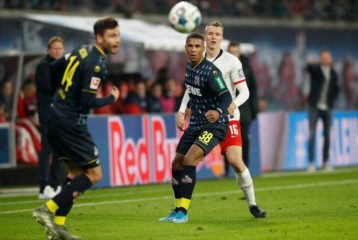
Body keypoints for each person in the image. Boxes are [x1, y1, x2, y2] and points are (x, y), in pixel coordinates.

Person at [32, 17, 120, 240]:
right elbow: (86, 101)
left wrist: (58, 97)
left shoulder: (81, 50)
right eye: (112, 36)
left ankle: (58, 228)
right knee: (94, 174)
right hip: (71, 123)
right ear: (99, 38)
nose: (117, 40)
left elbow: (54, 67)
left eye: (118, 35)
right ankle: (47, 210)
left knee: (74, 174)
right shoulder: (96, 64)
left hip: (55, 115)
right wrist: (110, 98)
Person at [173, 21, 266, 220]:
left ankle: (253, 204)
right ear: (204, 38)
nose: (214, 37)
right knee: (183, 161)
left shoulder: (232, 61)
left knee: (235, 161)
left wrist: (232, 104)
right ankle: (180, 208)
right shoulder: (196, 59)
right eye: (210, 34)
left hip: (228, 118)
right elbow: (191, 89)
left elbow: (245, 91)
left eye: (217, 34)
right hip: (201, 120)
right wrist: (182, 111)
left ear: (221, 38)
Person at [159, 32, 233, 223]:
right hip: (195, 125)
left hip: (214, 125)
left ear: (204, 48)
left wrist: (217, 111)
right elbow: (193, 92)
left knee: (190, 159)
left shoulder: (211, 72)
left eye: (197, 46)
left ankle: (184, 212)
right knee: (176, 164)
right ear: (185, 48)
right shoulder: (189, 68)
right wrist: (184, 111)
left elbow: (226, 96)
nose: (193, 49)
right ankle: (176, 209)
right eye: (190, 46)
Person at [35, 36, 66, 199]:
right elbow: (48, 88)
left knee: (59, 152)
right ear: (48, 50)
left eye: (60, 48)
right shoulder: (43, 66)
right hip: (48, 114)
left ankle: (54, 185)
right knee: (46, 150)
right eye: (54, 48)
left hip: (61, 115)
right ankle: (43, 187)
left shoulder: (63, 67)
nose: (57, 51)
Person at [225, 41, 259, 175]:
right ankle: (226, 170)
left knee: (244, 139)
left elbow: (253, 88)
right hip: (227, 109)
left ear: (239, 53)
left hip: (244, 110)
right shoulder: (222, 65)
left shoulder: (246, 67)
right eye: (231, 52)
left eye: (236, 52)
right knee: (227, 140)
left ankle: (244, 169)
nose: (234, 54)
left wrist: (254, 109)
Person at [306, 49, 339, 172]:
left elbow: (336, 89)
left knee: (327, 135)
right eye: (323, 57)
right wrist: (310, 64)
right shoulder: (316, 71)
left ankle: (325, 162)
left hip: (327, 108)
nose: (325, 59)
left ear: (330, 59)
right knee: (312, 134)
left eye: (327, 57)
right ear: (321, 59)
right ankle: (311, 163)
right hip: (314, 107)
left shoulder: (334, 74)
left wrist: (331, 100)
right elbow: (309, 69)